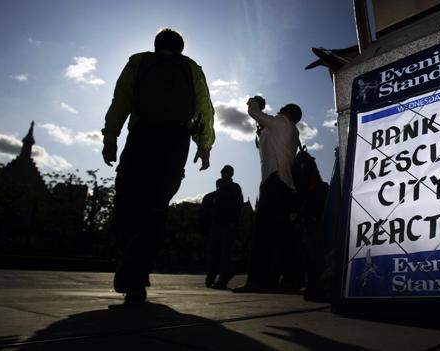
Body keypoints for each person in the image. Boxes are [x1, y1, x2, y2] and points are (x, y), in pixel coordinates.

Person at [101, 28, 214, 303]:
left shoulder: (139, 62)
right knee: (156, 206)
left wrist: (110, 137)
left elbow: (121, 100)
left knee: (128, 199)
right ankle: (138, 274)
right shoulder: (191, 69)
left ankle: (130, 253)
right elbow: (205, 108)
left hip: (141, 135)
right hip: (175, 141)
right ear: (181, 48)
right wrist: (204, 145)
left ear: (155, 45)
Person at [234, 96, 302, 292]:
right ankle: (290, 279)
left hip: (274, 182)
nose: (279, 110)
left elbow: (254, 113)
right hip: (285, 186)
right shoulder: (292, 131)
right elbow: (265, 145)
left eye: (282, 108)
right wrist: (262, 130)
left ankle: (259, 280)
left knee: (263, 234)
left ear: (288, 113)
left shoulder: (281, 122)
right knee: (283, 235)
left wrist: (254, 101)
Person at [205, 165, 243, 289]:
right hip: (217, 223)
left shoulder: (235, 188)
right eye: (222, 172)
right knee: (214, 251)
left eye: (226, 172)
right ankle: (210, 278)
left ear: (231, 174)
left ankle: (222, 280)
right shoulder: (219, 187)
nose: (224, 174)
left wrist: (234, 221)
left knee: (225, 252)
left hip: (228, 223)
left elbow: (238, 206)